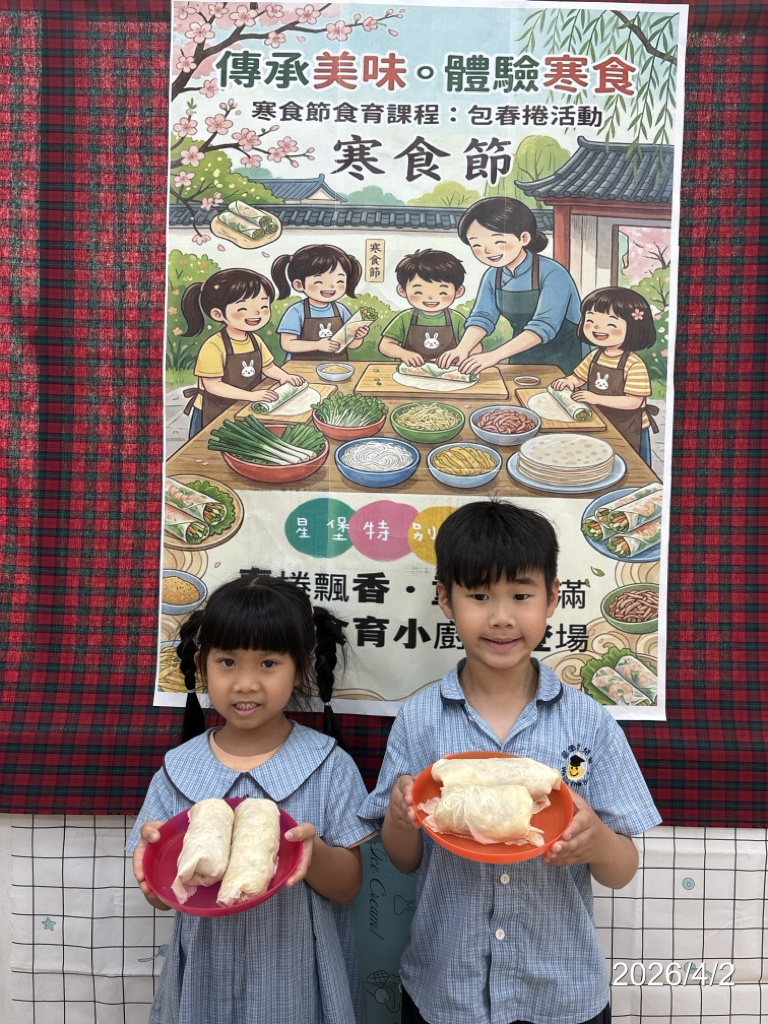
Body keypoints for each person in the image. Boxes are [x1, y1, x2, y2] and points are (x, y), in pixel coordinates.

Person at [359, 501, 661, 1024]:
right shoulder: (421, 719)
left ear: (552, 597)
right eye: (479, 596)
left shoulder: (589, 722)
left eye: (521, 595)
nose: (501, 617)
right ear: (445, 599)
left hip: (562, 993)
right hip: (446, 991)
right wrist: (400, 816)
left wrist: (597, 842)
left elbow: (622, 870)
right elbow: (404, 860)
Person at [128, 571, 375, 1024]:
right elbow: (162, 897)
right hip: (205, 980)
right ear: (201, 663)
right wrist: (152, 874)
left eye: (268, 663)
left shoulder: (329, 765)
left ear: (300, 668)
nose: (245, 683)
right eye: (227, 662)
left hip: (297, 983)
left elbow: (348, 888)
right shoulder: (178, 770)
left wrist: (313, 852)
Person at [439, 196, 583, 376]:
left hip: (564, 357)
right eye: (477, 244)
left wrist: (494, 355)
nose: (488, 251)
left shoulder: (553, 272)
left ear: (524, 238)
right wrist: (462, 349)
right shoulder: (493, 275)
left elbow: (544, 325)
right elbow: (482, 317)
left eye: (498, 241)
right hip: (520, 353)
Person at [180, 269, 305, 438]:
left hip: (245, 405)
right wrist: (251, 395)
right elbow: (213, 385)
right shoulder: (214, 346)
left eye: (263, 306)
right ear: (218, 314)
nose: (257, 313)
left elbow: (268, 367)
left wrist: (284, 376)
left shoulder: (255, 340)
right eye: (244, 308)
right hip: (213, 410)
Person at [551, 287, 659, 462]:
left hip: (630, 427)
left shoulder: (634, 364)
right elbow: (579, 377)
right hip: (601, 419)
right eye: (591, 320)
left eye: (611, 324)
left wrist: (596, 398)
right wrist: (570, 381)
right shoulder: (595, 355)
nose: (597, 328)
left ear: (634, 327)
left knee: (629, 463)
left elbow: (633, 402)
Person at [272, 244, 371, 360]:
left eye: (339, 280)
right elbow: (287, 344)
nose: (331, 286)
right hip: (301, 366)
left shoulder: (341, 310)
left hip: (337, 366)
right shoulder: (296, 311)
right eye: (319, 281)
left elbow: (352, 345)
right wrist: (317, 345)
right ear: (299, 284)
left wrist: (358, 337)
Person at [378, 249, 472, 365]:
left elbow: (475, 346)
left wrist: (462, 355)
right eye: (419, 292)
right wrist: (403, 353)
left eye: (442, 292)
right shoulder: (405, 317)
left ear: (458, 291)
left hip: (449, 371)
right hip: (411, 371)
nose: (430, 297)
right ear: (402, 291)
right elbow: (385, 345)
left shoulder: (457, 318)